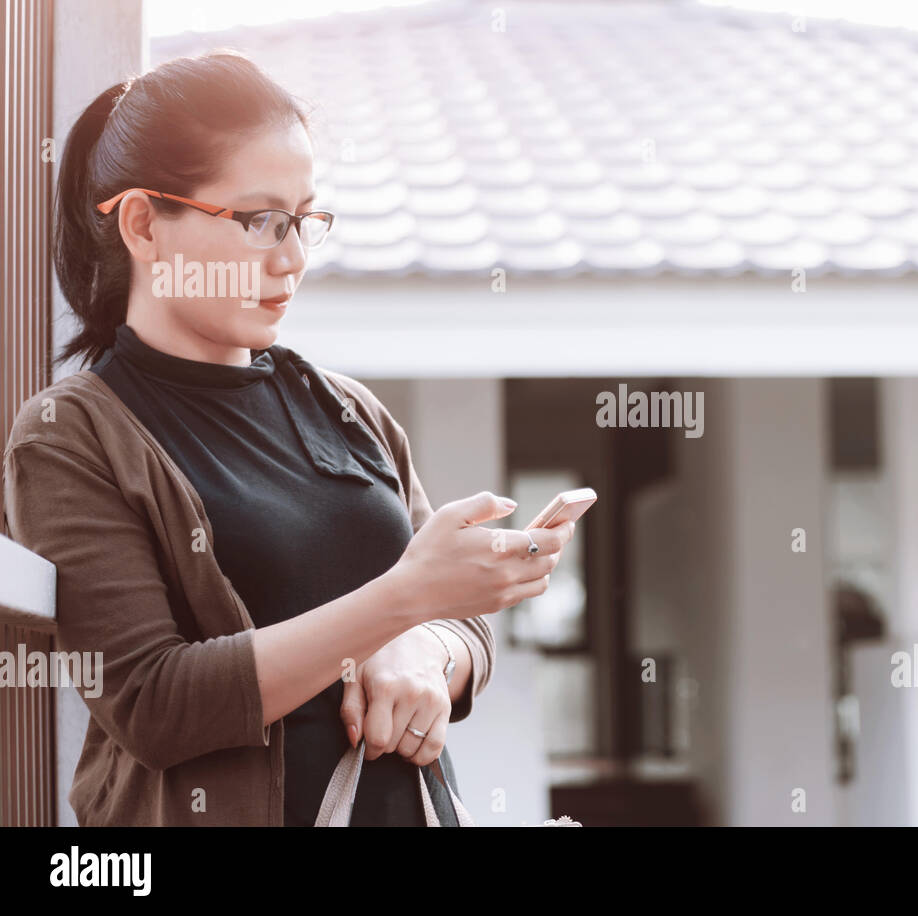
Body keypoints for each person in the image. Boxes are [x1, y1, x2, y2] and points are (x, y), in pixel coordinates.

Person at [0, 50, 575, 826]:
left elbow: (460, 630)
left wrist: (426, 648)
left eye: (305, 220)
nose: (294, 257)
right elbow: (151, 702)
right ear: (141, 222)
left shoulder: (348, 409)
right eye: (261, 221)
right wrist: (402, 601)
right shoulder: (72, 435)